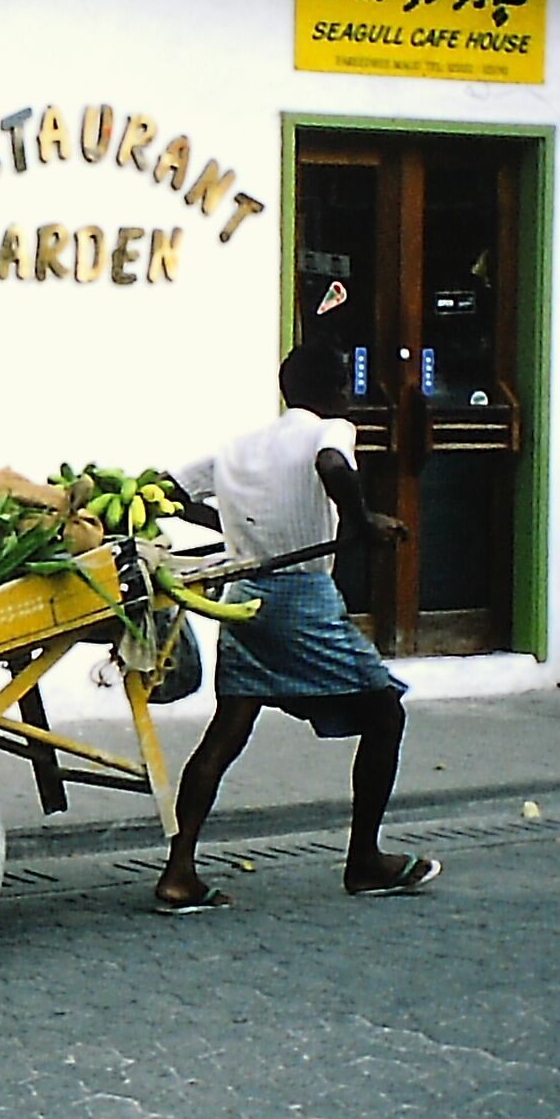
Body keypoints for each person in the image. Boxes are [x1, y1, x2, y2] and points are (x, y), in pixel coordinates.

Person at [152, 339, 441, 913]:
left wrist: (232, 526)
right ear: (334, 391)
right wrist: (362, 521)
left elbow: (165, 490)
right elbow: (333, 466)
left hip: (245, 597)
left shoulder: (238, 447)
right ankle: (364, 860)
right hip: (301, 600)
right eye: (347, 390)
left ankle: (179, 870)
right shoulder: (329, 431)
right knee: (385, 712)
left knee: (227, 731)